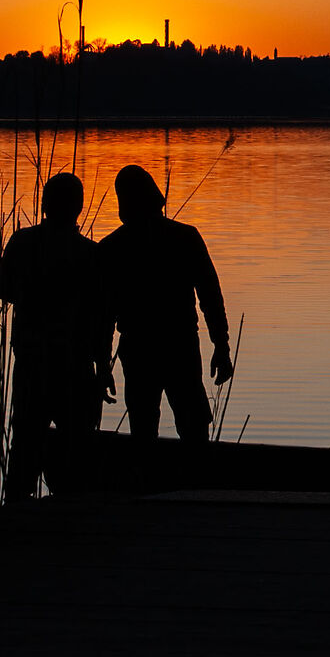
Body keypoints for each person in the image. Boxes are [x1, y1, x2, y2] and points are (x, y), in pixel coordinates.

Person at [98, 163, 232, 450]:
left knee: (147, 428)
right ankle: (194, 483)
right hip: (175, 345)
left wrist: (102, 363)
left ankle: (151, 484)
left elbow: (103, 316)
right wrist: (221, 347)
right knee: (190, 426)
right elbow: (210, 297)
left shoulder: (111, 248)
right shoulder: (185, 237)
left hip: (144, 348)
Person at [0, 171, 109, 499]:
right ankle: (72, 511)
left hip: (32, 361)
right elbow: (101, 317)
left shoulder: (22, 241)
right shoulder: (90, 253)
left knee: (26, 442)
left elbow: (5, 290)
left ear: (45, 205)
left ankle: (16, 513)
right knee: (77, 442)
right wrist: (103, 365)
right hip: (75, 365)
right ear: (79, 207)